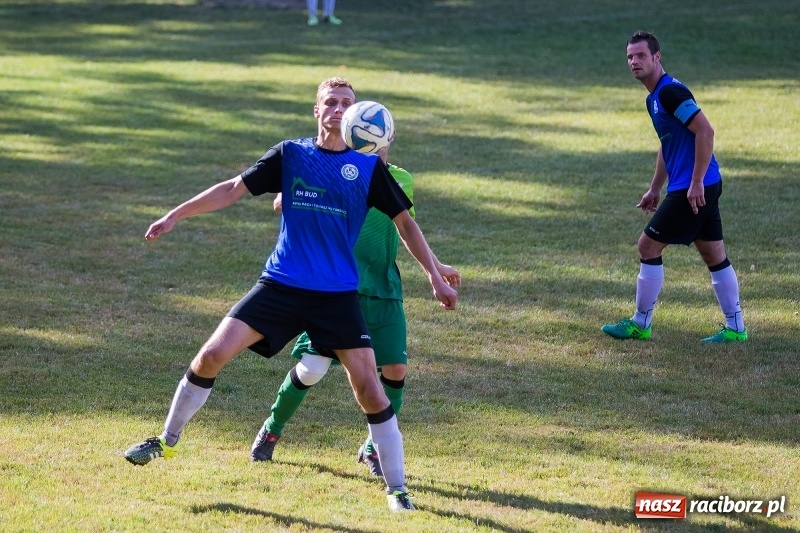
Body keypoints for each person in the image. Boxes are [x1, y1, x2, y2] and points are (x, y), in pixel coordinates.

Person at [123, 77, 459, 512]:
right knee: (210, 355)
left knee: (370, 391)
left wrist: (434, 275)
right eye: (331, 102)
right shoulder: (291, 154)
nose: (339, 109)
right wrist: (175, 214)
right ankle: (166, 441)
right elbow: (233, 188)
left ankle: (398, 491)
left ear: (358, 115)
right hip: (280, 284)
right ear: (317, 111)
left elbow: (405, 224)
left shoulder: (369, 169)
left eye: (347, 103)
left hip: (336, 295)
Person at [250, 136, 461, 477]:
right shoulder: (337, 172)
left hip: (383, 288)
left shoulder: (402, 179)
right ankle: (272, 429)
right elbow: (294, 198)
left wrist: (437, 270)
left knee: (395, 371)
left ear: (388, 137)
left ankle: (372, 450)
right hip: (336, 288)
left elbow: (407, 228)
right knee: (312, 368)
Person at [602, 31, 747, 343]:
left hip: (694, 186)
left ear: (657, 57)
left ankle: (641, 323)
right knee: (713, 254)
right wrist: (655, 188)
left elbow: (705, 131)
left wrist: (695, 182)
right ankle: (736, 329)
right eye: (630, 57)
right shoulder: (653, 97)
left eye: (641, 55)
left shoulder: (670, 93)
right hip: (702, 183)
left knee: (647, 246)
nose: (634, 62)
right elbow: (668, 144)